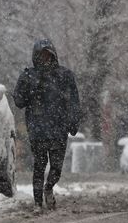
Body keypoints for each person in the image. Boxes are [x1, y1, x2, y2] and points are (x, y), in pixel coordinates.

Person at [13, 39, 81, 209]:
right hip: (38, 130)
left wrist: (73, 121)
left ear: (53, 55)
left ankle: (48, 187)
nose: (44, 58)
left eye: (47, 55)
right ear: (35, 56)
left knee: (56, 167)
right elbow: (19, 101)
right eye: (41, 55)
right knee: (39, 165)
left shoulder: (64, 76)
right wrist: (29, 90)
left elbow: (74, 101)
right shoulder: (28, 76)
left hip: (59, 129)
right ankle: (37, 202)